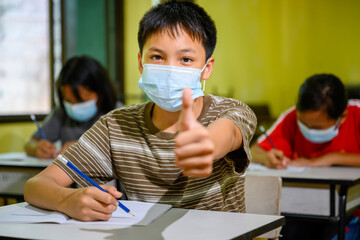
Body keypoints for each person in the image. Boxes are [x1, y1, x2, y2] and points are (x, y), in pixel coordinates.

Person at [24, 1, 256, 221]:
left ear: (207, 68)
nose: (170, 69)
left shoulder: (232, 111)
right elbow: (36, 186)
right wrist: (68, 199)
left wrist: (206, 146)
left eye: (185, 59)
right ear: (140, 63)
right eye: (157, 57)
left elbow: (226, 134)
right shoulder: (115, 126)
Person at [251, 73, 360, 168]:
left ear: (342, 117)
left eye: (318, 127)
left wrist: (330, 158)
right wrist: (266, 158)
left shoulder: (356, 114)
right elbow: (254, 151)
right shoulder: (292, 116)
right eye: (302, 124)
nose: (309, 130)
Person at [24, 55, 118, 159]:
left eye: (81, 100)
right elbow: (29, 143)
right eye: (68, 101)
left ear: (101, 92)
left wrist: (85, 147)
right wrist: (37, 147)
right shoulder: (62, 113)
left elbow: (125, 150)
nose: (74, 107)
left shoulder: (118, 114)